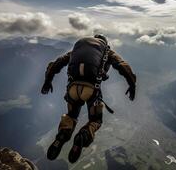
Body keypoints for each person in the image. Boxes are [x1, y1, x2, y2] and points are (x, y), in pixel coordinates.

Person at [41, 34, 136, 163]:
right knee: (96, 120)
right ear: (105, 43)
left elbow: (57, 63)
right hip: (91, 90)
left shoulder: (77, 49)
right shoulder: (107, 51)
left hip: (72, 89)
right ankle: (84, 135)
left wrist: (48, 80)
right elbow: (122, 65)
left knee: (71, 116)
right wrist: (132, 84)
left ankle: (63, 133)